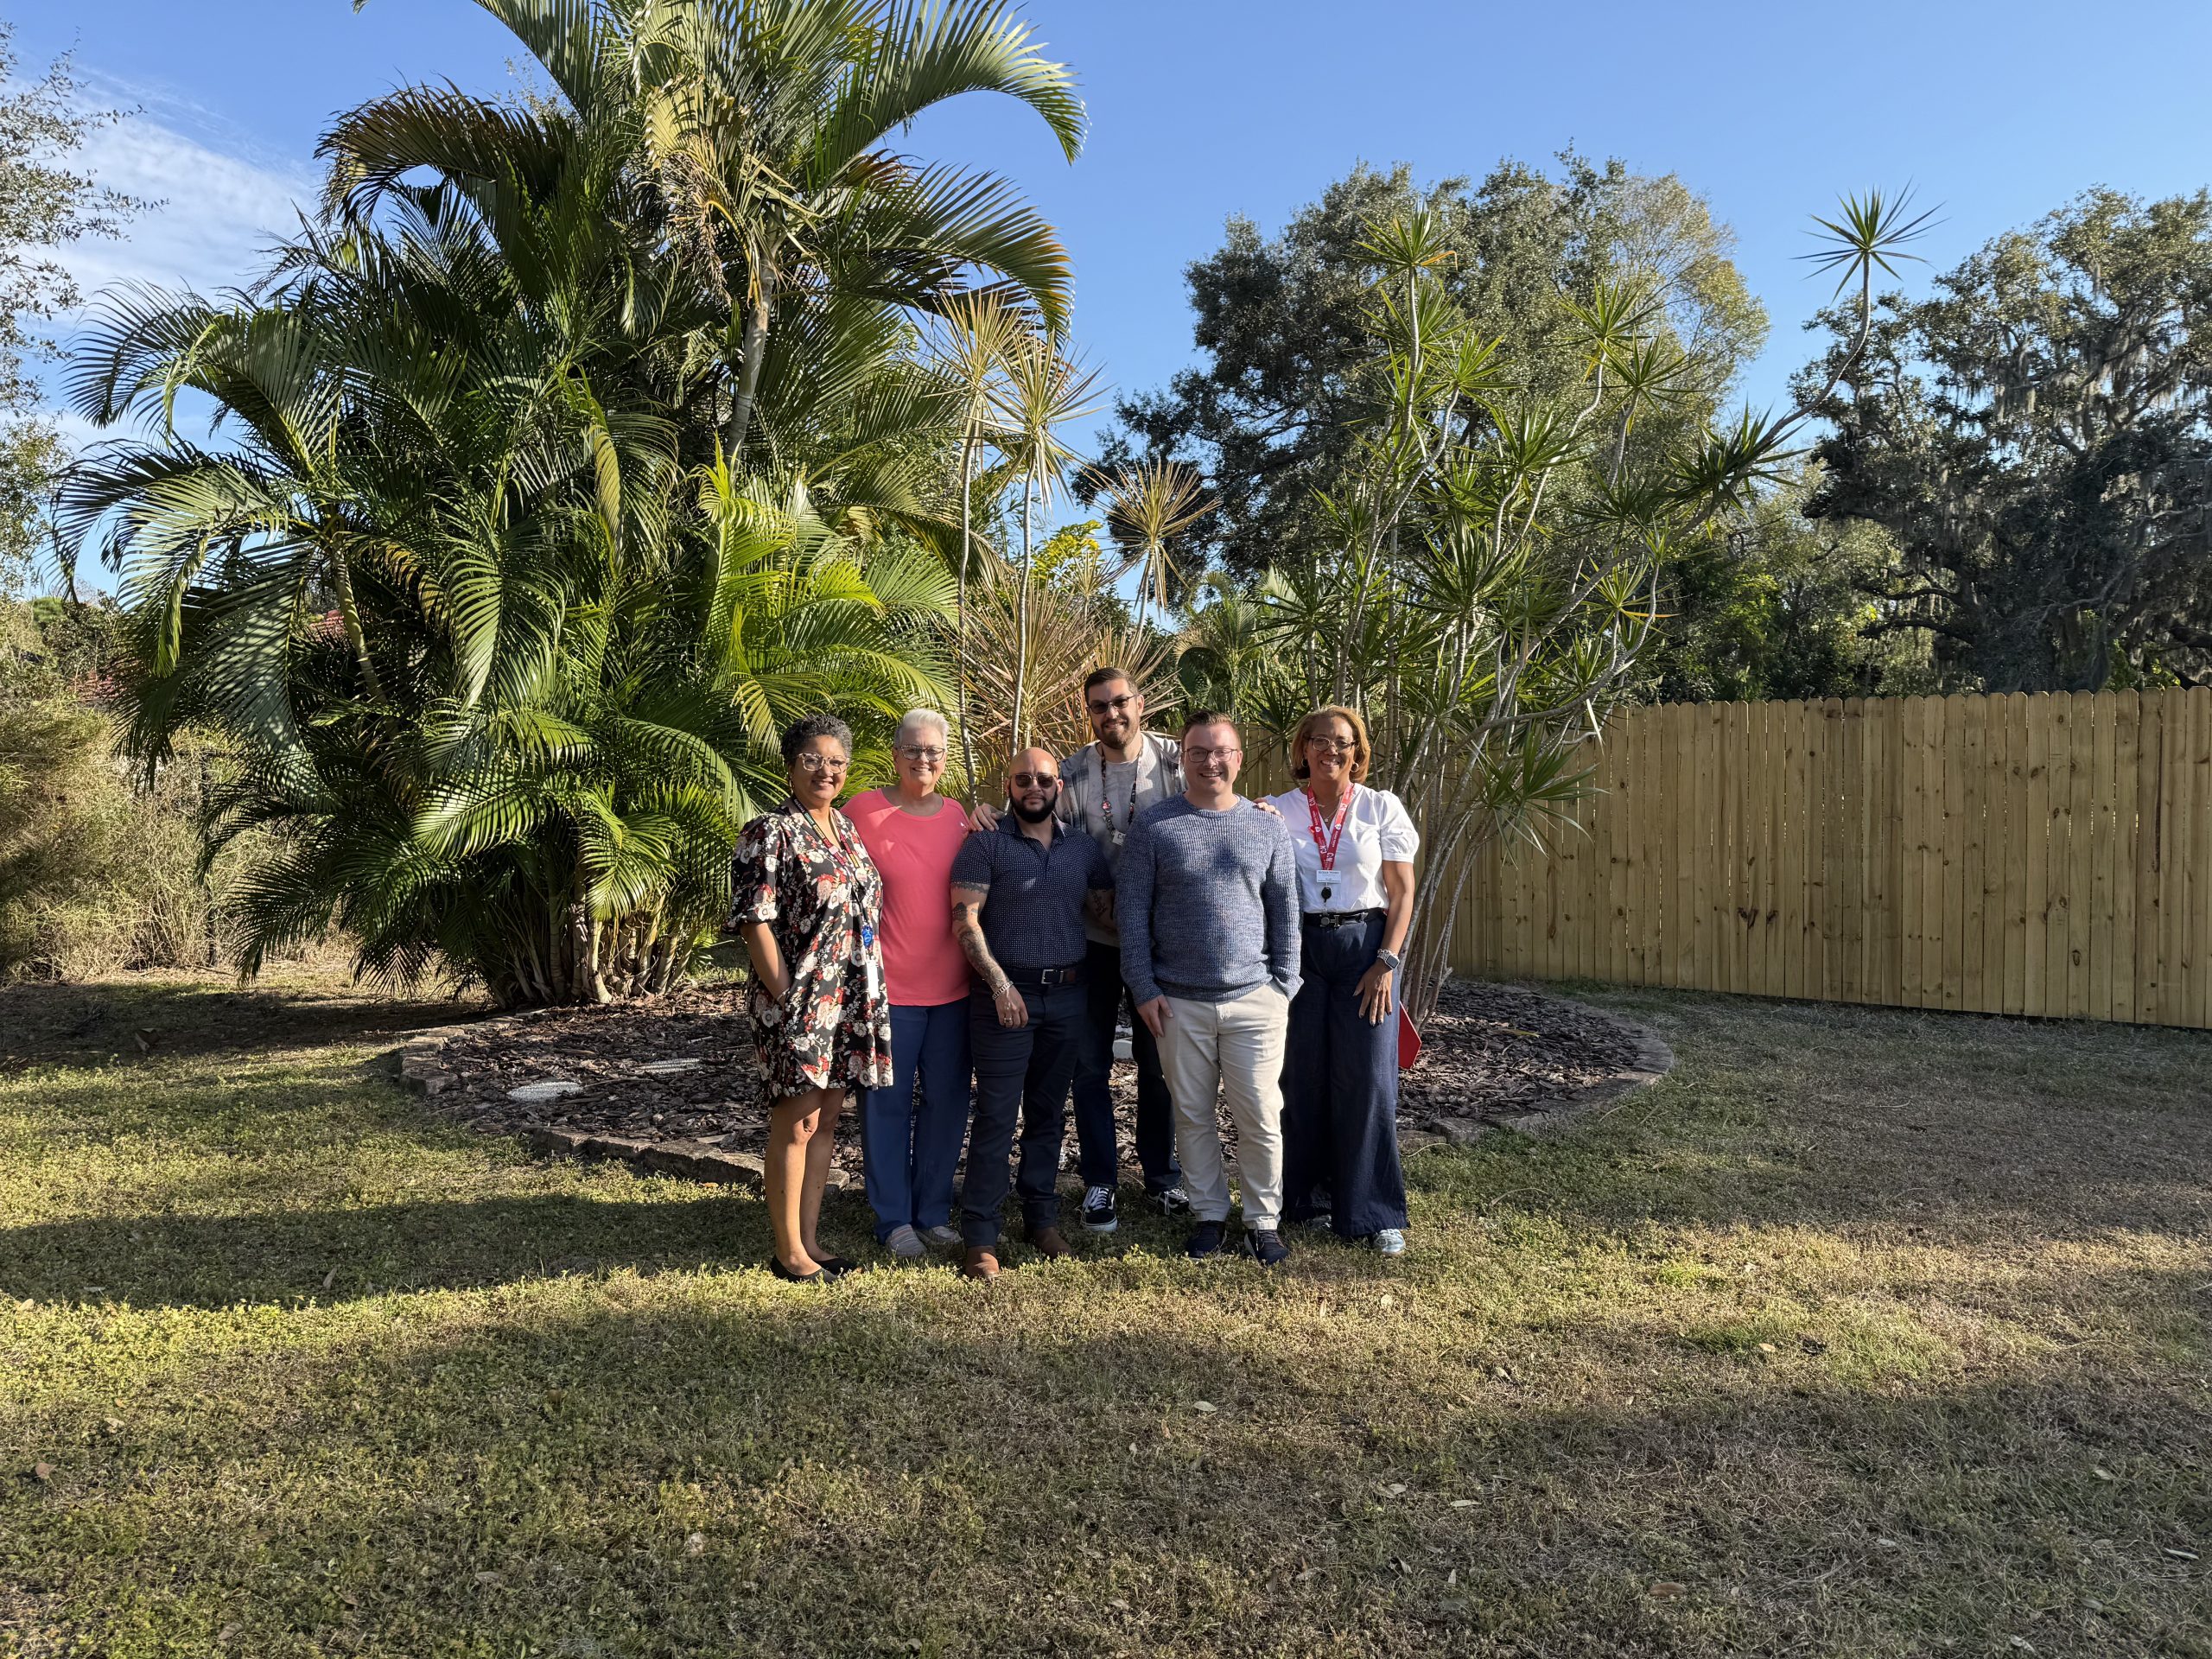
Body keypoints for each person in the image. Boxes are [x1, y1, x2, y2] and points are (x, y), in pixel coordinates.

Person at [975, 667, 1190, 1232]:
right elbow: (1028, 817)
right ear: (1088, 713)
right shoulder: (1068, 774)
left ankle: (1163, 1176)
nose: (1111, 713)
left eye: (1120, 702)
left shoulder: (1176, 761)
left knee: (1159, 1065)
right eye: (1099, 706)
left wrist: (1261, 807)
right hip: (1091, 942)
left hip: (1161, 943)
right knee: (1089, 1066)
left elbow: (1219, 792)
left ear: (1139, 704)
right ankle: (1100, 1181)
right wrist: (983, 816)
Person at [1118, 711, 1301, 1266]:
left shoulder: (1266, 825)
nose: (1210, 761)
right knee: (1192, 1116)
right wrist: (1144, 988)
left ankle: (1262, 1222)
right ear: (1183, 759)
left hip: (1255, 998)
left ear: (1238, 759)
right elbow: (1132, 913)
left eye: (1221, 751)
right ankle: (1209, 1215)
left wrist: (1284, 984)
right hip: (1177, 1003)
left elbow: (1285, 908)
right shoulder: (1156, 826)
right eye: (1198, 752)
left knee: (1260, 1116)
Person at [728, 713, 893, 1284]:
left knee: (824, 1123)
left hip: (850, 998)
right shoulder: (769, 831)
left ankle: (811, 1240)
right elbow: (755, 922)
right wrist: (788, 999)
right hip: (799, 1000)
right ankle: (788, 1252)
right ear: (790, 765)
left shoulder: (845, 828)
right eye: (813, 760)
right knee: (795, 1124)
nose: (826, 771)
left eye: (837, 762)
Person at [947, 747, 1114, 1282]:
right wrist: (1000, 986)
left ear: (1059, 785)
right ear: (1009, 785)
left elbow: (1108, 911)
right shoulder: (985, 843)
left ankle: (1041, 1219)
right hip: (1004, 997)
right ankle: (981, 1235)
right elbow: (965, 921)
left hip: (1068, 995)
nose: (1034, 787)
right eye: (1023, 779)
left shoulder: (1082, 848)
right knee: (997, 1115)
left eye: (1044, 779)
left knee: (1048, 1114)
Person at [1266, 706, 1419, 1255]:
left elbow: (1402, 894)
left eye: (1343, 742)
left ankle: (1372, 1212)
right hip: (1301, 951)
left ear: (1357, 753)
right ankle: (1305, 1201)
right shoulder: (1277, 810)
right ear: (1303, 749)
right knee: (1301, 1079)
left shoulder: (1380, 808)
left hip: (1364, 951)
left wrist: (1387, 963)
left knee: (1369, 1080)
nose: (1331, 749)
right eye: (1320, 740)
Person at [843, 709, 972, 1261]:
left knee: (947, 1104)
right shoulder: (862, 811)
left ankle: (932, 1212)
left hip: (954, 991)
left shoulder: (960, 816)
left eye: (934, 751)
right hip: (889, 993)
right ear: (895, 755)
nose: (924, 759)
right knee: (887, 1108)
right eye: (914, 750)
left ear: (945, 759)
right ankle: (893, 1218)